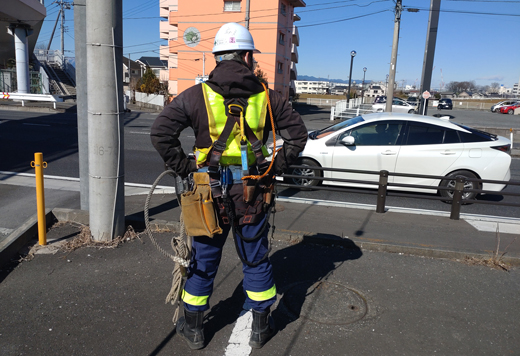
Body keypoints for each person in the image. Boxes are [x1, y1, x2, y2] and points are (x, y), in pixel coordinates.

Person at [150, 22, 307, 350]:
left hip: (209, 194)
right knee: (255, 258)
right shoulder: (268, 98)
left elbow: (161, 133)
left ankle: (193, 328)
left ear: (218, 56)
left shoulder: (196, 96)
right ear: (248, 56)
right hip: (252, 193)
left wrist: (186, 168)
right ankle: (261, 327)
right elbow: (298, 136)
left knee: (204, 259)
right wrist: (274, 168)